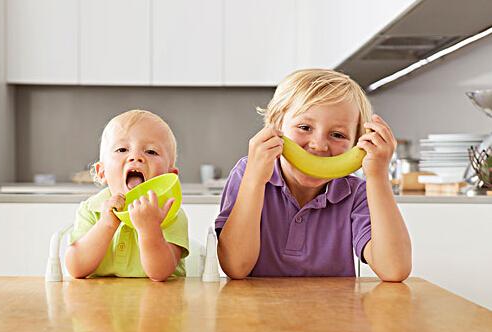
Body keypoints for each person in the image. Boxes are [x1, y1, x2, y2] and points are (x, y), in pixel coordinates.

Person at [215, 69, 411, 281]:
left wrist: (377, 176)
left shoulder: (356, 193)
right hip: (257, 311)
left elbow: (394, 270)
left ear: (356, 144)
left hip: (333, 311)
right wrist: (254, 181)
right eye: (305, 127)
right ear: (276, 126)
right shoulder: (248, 173)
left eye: (337, 135)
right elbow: (235, 267)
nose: (319, 145)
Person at [65, 110, 189, 281]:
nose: (136, 157)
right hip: (98, 303)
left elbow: (160, 273)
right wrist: (106, 225)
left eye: (151, 152)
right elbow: (76, 268)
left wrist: (149, 229)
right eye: (122, 149)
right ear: (102, 172)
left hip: (158, 303)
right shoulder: (91, 209)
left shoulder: (170, 212)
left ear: (170, 176)